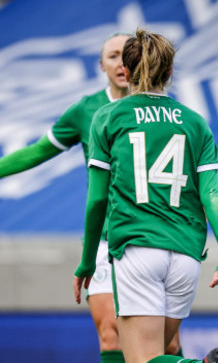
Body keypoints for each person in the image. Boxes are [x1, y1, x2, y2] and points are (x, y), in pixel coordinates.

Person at [0, 32, 184, 362]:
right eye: (112, 56)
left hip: (154, 238)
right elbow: (37, 151)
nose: (120, 62)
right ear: (101, 64)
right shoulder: (87, 111)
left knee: (165, 346)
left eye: (126, 55)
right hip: (105, 240)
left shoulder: (165, 112)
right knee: (111, 333)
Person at [72, 29, 218, 363]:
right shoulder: (195, 122)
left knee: (142, 360)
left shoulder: (108, 116)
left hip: (138, 249)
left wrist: (88, 260)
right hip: (187, 256)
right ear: (170, 72)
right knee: (158, 355)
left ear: (128, 72)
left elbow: (97, 201)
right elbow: (211, 194)